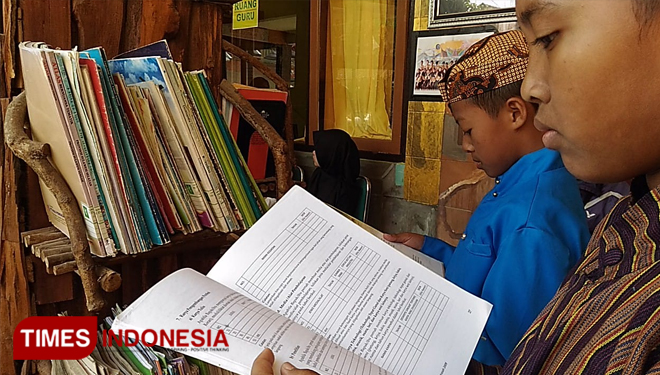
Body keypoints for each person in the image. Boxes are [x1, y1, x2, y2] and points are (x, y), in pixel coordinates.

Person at [385, 30, 590, 366]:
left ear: (514, 114)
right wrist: (430, 249)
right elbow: (486, 272)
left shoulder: (531, 221)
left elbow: (511, 348)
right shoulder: (516, 184)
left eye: (468, 130)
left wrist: (416, 324)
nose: (466, 145)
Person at [307, 129, 361, 215]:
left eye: (319, 149)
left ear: (332, 153)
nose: (313, 153)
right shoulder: (319, 175)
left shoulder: (345, 189)